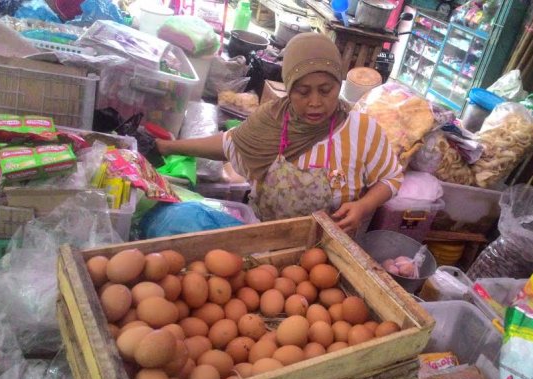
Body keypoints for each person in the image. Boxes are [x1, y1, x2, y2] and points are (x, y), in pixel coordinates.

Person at [157, 33, 403, 234]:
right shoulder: (269, 122)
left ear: (339, 86)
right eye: (303, 92)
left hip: (329, 246)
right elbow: (230, 145)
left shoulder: (362, 129)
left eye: (326, 90)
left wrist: (363, 205)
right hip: (265, 237)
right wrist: (170, 147)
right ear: (288, 88)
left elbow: (391, 178)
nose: (315, 102)